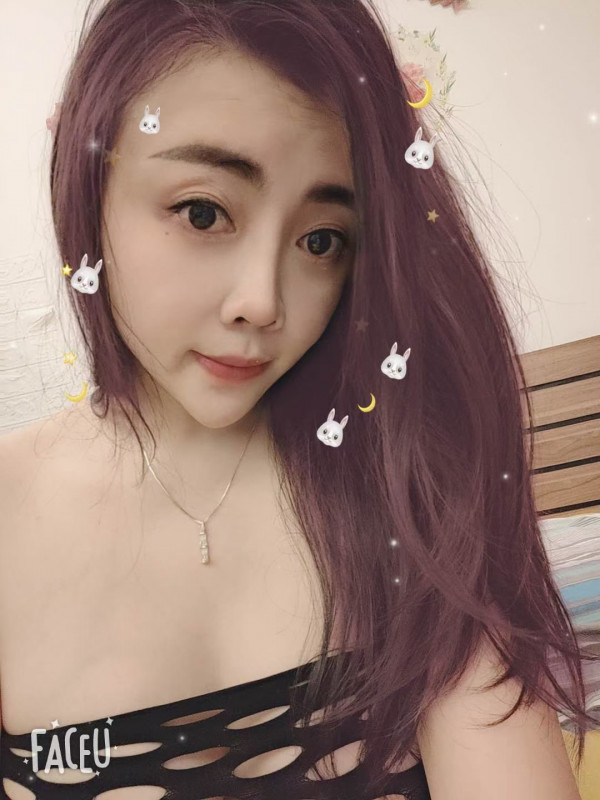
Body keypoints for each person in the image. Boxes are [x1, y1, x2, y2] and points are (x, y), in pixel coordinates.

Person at [0, 1, 595, 798]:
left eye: (321, 241)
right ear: (88, 188)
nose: (263, 301)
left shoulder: (407, 483)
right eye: (204, 212)